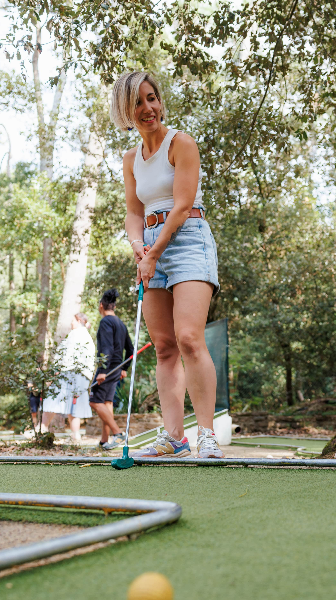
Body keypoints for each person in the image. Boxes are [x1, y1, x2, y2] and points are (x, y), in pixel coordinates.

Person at [110, 71, 224, 458]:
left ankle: (207, 434)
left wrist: (154, 251)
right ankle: (174, 437)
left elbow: (181, 204)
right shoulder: (130, 159)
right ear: (126, 110)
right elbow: (132, 211)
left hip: (188, 239)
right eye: (139, 102)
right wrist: (138, 247)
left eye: (153, 98)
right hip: (152, 248)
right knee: (163, 346)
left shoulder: (181, 143)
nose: (149, 108)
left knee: (190, 338)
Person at [40, 313, 95, 443]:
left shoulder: (75, 334)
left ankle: (42, 428)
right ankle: (75, 435)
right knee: (74, 405)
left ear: (79, 320)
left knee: (52, 399)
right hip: (82, 375)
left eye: (73, 320)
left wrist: (55, 372)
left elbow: (65, 355)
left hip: (69, 372)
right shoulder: (87, 337)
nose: (71, 323)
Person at [90, 289, 132, 451]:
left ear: (101, 305)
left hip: (107, 369)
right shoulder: (120, 324)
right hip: (116, 368)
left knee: (94, 401)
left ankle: (118, 433)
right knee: (106, 403)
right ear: (113, 306)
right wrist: (124, 368)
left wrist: (102, 370)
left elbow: (106, 347)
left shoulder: (106, 322)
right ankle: (104, 441)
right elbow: (130, 349)